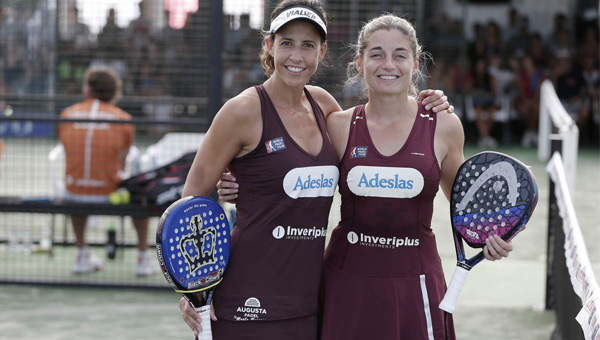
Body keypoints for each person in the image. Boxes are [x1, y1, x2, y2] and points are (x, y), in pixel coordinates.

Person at [177, 1, 452, 338]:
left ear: (322, 51)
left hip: (310, 299)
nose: (297, 56)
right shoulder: (242, 111)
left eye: (308, 45)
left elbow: (377, 153)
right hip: (245, 291)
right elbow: (189, 200)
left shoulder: (326, 109)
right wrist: (192, 285)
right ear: (269, 45)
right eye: (287, 43)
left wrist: (431, 101)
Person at [319, 14, 512, 339]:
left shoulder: (444, 126)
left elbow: (465, 206)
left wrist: (494, 239)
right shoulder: (338, 126)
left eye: (400, 54)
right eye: (376, 53)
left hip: (417, 283)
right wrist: (238, 185)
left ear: (416, 62)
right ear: (359, 61)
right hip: (346, 280)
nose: (388, 64)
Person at [58, 65, 157, 276]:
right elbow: (123, 160)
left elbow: (67, 149)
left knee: (74, 189)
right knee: (140, 198)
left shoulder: (68, 113)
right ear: (114, 91)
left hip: (73, 192)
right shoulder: (123, 118)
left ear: (88, 89)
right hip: (109, 193)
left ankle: (82, 253)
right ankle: (142, 258)